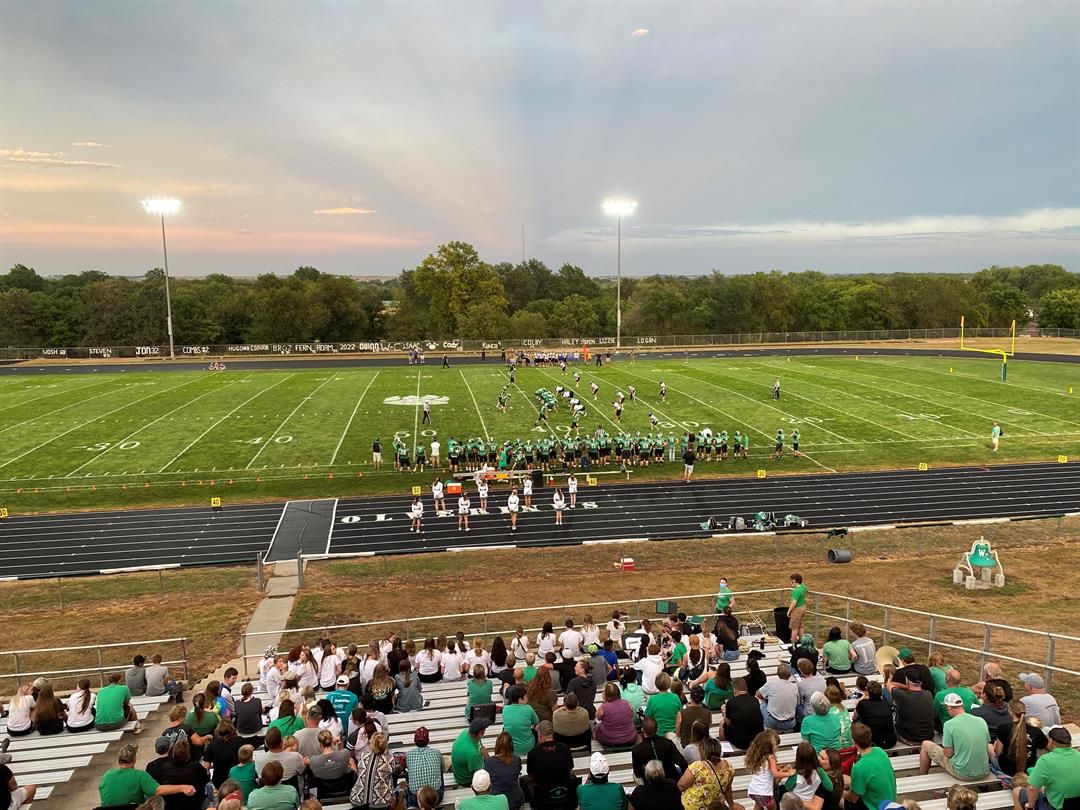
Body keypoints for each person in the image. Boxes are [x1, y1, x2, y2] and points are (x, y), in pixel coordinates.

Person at [918, 692, 992, 780]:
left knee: (925, 744)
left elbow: (948, 754)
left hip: (963, 773)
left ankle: (922, 777)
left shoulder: (949, 724)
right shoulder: (981, 720)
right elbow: (987, 745)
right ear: (962, 706)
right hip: (983, 771)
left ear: (948, 707)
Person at [98, 743, 197, 806]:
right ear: (134, 759)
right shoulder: (140, 775)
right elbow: (158, 790)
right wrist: (182, 787)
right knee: (155, 799)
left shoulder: (107, 775)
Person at [1013, 726, 1080, 810]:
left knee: (1017, 792)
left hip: (1055, 807)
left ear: (1051, 741)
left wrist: (1030, 805)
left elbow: (1032, 788)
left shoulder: (1045, 760)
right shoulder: (1078, 755)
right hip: (1075, 804)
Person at [678, 736, 740, 810]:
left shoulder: (698, 766)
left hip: (694, 806)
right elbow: (727, 789)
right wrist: (731, 804)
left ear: (704, 751)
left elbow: (682, 785)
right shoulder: (728, 767)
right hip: (715, 807)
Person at [844, 723, 896, 810]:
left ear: (854, 742)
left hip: (875, 807)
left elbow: (853, 798)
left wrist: (840, 792)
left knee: (840, 800)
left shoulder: (859, 768)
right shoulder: (880, 751)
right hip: (890, 802)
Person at [994, 699, 1047, 778]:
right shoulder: (1035, 731)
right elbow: (1043, 746)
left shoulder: (1003, 728)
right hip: (1029, 769)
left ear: (1010, 711)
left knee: (990, 748)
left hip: (1007, 770)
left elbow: (998, 752)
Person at [526, 721, 576, 802]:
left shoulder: (532, 753)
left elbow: (531, 776)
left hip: (544, 796)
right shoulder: (565, 748)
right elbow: (570, 770)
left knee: (524, 781)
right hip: (564, 792)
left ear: (540, 736)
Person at [745, 730, 794, 810]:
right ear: (768, 746)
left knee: (758, 805)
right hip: (765, 793)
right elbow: (775, 774)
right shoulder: (771, 757)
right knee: (773, 808)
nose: (777, 747)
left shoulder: (760, 756)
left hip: (753, 790)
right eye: (775, 745)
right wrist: (789, 773)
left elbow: (766, 770)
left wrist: (778, 767)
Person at [781, 742, 835, 810]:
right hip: (809, 803)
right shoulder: (820, 771)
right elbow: (830, 787)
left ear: (798, 757)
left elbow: (788, 787)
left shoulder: (795, 774)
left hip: (794, 804)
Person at [350, 732, 395, 810]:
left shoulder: (363, 755)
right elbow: (394, 771)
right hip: (381, 803)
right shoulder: (389, 759)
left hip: (357, 800)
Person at [720, 677, 764, 751]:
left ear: (734, 690)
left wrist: (724, 712)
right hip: (757, 740)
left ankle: (724, 748)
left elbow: (728, 722)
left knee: (722, 723)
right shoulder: (755, 700)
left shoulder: (731, 702)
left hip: (741, 743)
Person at [890, 674, 935, 745]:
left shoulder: (902, 695)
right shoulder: (928, 694)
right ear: (920, 682)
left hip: (910, 738)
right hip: (929, 736)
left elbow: (889, 685)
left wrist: (890, 677)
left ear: (907, 681)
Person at [484, 732, 524, 810]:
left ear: (497, 745)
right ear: (511, 745)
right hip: (515, 801)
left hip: (497, 802)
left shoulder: (489, 761)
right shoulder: (517, 760)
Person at [853, 681, 896, 750]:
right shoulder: (886, 703)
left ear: (868, 691)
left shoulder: (863, 704)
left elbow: (854, 717)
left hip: (873, 742)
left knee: (856, 723)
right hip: (890, 741)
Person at [594, 681, 637, 748]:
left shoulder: (603, 707)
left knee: (597, 727)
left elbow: (598, 717)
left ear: (606, 695)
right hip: (630, 738)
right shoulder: (627, 703)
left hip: (610, 740)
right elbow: (632, 715)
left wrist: (604, 702)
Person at [757, 663, 798, 732]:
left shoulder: (771, 684)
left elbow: (758, 694)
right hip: (790, 723)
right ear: (790, 674)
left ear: (777, 673)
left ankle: (763, 728)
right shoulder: (795, 687)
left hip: (773, 722)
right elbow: (797, 703)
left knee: (760, 700)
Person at [453, 718, 491, 789]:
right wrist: (489, 759)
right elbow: (481, 774)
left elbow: (480, 746)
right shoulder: (473, 754)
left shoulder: (466, 732)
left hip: (460, 772)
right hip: (466, 780)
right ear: (480, 733)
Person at [787, 575, 808, 642]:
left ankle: (794, 643)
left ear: (795, 581)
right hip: (803, 607)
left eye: (792, 581)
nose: (791, 583)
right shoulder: (803, 587)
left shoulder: (796, 591)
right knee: (801, 626)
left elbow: (794, 603)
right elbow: (805, 587)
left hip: (797, 610)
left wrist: (789, 611)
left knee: (794, 627)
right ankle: (801, 641)